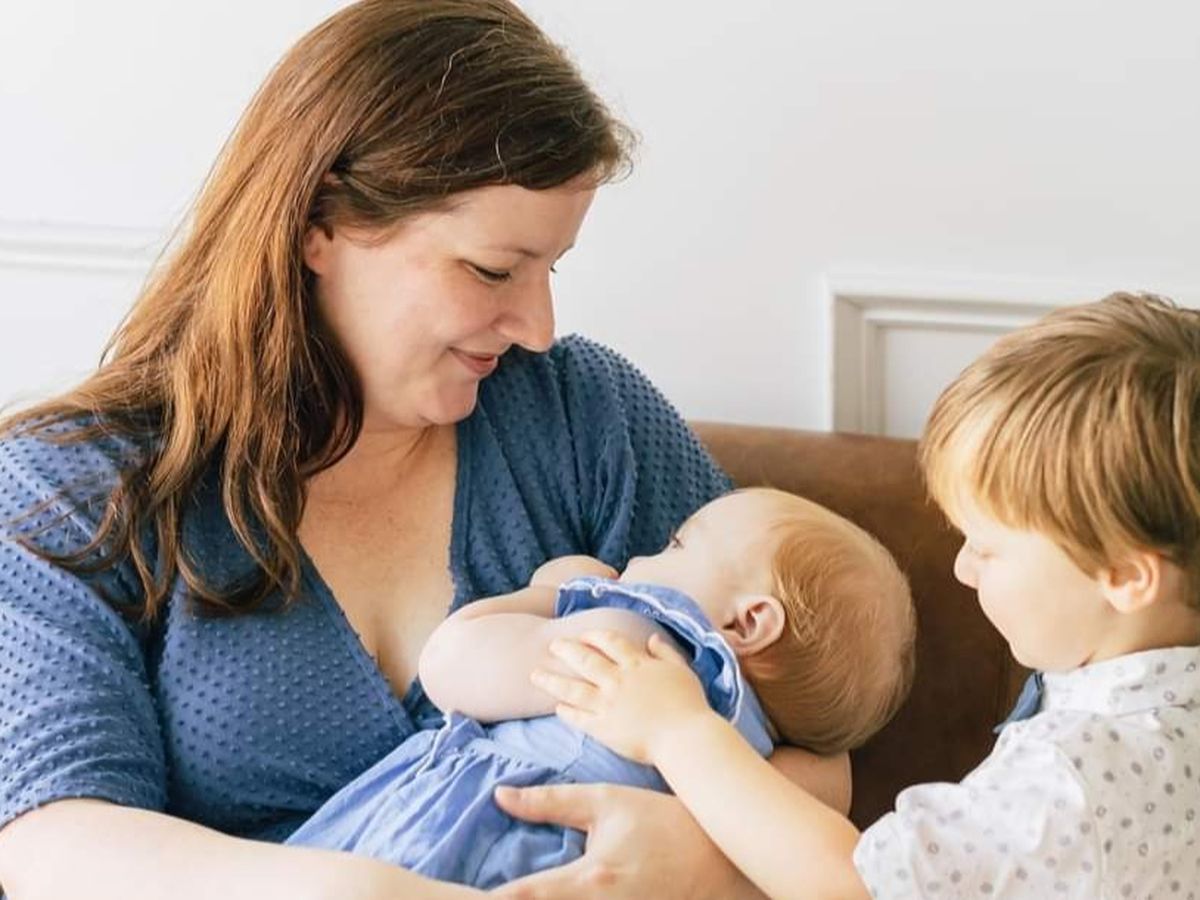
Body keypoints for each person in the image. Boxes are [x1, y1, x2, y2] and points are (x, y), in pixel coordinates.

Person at [0, 3, 847, 898]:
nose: (536, 327)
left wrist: (701, 860)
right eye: (492, 270)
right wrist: (362, 894)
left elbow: (819, 744)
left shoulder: (585, 417)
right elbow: (50, 840)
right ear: (319, 226)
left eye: (550, 268)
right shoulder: (72, 485)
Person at [524, 292, 1200, 899]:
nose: (963, 569)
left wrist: (679, 731)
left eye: (989, 548)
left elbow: (851, 885)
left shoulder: (1077, 778)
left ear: (1125, 576)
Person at [283, 487, 916, 888]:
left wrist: (547, 592)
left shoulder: (631, 642)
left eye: (676, 543)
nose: (647, 553)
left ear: (745, 623)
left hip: (469, 842)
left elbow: (450, 666)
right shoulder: (749, 753)